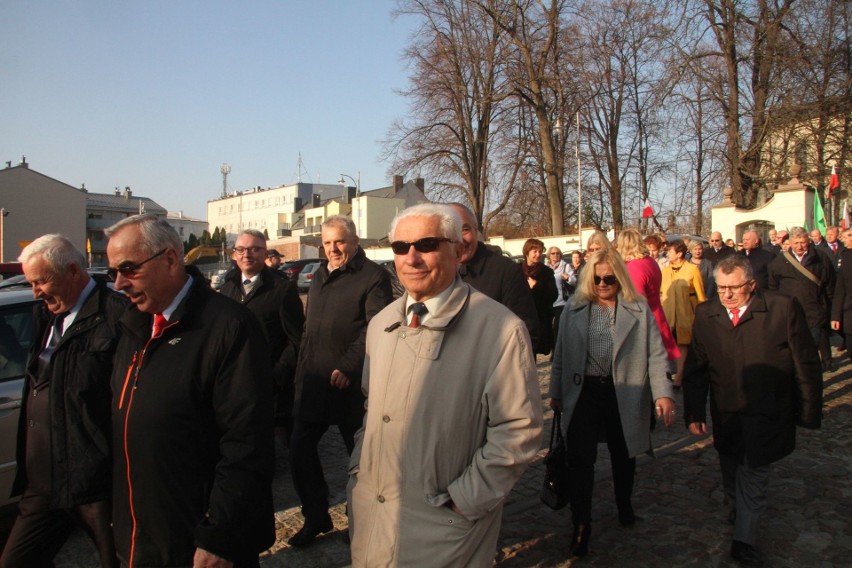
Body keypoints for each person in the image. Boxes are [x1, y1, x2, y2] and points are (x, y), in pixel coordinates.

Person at [348, 203, 543, 567]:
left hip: (446, 527)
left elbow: (520, 428)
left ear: (459, 250)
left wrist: (464, 500)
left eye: (426, 244)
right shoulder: (382, 324)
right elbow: (371, 409)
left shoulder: (500, 329)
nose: (412, 257)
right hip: (375, 520)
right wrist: (358, 473)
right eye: (400, 247)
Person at [105, 215, 275, 567]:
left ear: (169, 259)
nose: (119, 283)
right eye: (112, 273)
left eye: (128, 269)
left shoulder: (228, 326)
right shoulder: (133, 326)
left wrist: (219, 536)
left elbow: (247, 443)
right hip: (140, 536)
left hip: (197, 542)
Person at [683, 255, 822, 566]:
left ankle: (744, 539)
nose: (727, 295)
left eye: (734, 288)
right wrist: (693, 413)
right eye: (721, 288)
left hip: (768, 410)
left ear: (752, 285)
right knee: (731, 463)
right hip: (727, 410)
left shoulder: (782, 308)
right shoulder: (707, 313)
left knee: (754, 471)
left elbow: (806, 363)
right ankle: (737, 505)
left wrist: (809, 409)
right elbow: (696, 368)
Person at [1, 235, 128, 568]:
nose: (35, 292)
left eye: (41, 281)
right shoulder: (45, 314)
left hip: (94, 481)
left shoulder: (117, 315)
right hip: (43, 480)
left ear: (73, 271)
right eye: (31, 283)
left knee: (119, 561)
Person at [549, 248, 675, 558]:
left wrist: (663, 393)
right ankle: (581, 524)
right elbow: (560, 355)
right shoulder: (574, 309)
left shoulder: (637, 308)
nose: (604, 284)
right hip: (584, 393)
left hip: (625, 392)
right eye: (597, 278)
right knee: (580, 461)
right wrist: (555, 391)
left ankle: (624, 504)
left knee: (624, 454)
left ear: (620, 278)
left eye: (610, 278)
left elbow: (656, 354)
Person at [289, 215, 392, 547]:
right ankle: (316, 516)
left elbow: (375, 327)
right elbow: (310, 329)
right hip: (315, 380)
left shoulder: (373, 276)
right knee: (299, 450)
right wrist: (301, 371)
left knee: (358, 458)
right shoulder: (319, 275)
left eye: (340, 241)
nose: (333, 248)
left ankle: (361, 520)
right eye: (328, 242)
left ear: (355, 241)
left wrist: (349, 366)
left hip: (350, 384)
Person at [219, 230, 305, 441]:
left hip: (269, 388)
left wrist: (275, 377)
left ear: (265, 253)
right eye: (241, 249)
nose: (247, 254)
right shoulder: (227, 287)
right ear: (234, 254)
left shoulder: (282, 289)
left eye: (254, 249)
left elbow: (296, 340)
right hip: (233, 384)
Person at [448, 203, 539, 346]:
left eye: (464, 229)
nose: (459, 239)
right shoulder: (436, 272)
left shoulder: (506, 271)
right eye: (450, 231)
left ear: (475, 231)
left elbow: (526, 332)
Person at [768, 226, 835, 372]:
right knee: (794, 353)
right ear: (790, 243)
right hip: (790, 314)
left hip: (814, 314)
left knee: (810, 351)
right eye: (796, 243)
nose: (800, 246)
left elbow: (829, 285)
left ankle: (812, 380)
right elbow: (773, 287)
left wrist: (828, 309)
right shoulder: (780, 261)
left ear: (808, 241)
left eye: (803, 242)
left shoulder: (820, 258)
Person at [616, 229, 680, 370]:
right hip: (657, 317)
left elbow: (636, 304)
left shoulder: (634, 267)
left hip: (645, 324)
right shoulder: (649, 261)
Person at [661, 239, 706, 385]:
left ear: (679, 253)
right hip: (668, 315)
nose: (667, 253)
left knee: (682, 345)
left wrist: (701, 316)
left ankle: (679, 376)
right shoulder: (665, 271)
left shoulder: (692, 270)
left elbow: (700, 296)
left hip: (685, 314)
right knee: (665, 346)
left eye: (670, 251)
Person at [522, 238, 559, 355]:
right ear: (527, 252)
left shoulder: (546, 272)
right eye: (535, 251)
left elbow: (553, 295)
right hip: (521, 317)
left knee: (533, 352)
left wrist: (538, 287)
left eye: (540, 251)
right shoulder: (517, 270)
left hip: (539, 319)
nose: (538, 255)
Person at [546, 246, 570, 350]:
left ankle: (557, 350)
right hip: (549, 301)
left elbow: (574, 280)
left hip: (561, 301)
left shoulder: (565, 266)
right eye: (553, 253)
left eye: (557, 253)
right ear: (549, 255)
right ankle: (552, 347)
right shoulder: (545, 267)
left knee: (557, 326)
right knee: (548, 327)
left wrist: (568, 278)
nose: (555, 255)